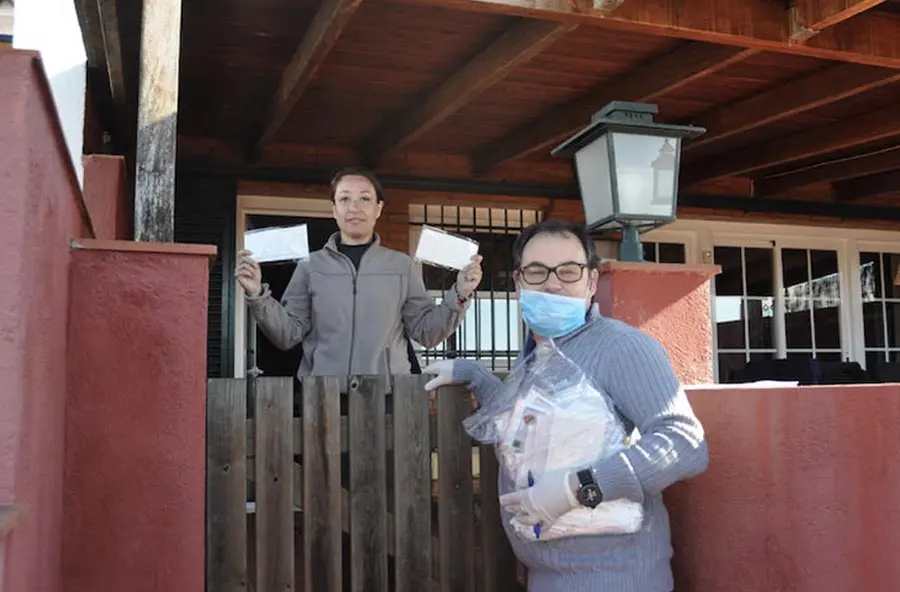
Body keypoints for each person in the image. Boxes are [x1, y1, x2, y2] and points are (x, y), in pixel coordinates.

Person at [423, 219, 708, 592]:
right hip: (547, 577)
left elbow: (685, 444)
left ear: (591, 282)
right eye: (537, 272)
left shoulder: (621, 347)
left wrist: (579, 488)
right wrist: (475, 374)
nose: (553, 283)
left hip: (616, 579)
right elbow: (529, 430)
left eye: (568, 271)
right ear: (519, 282)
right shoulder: (537, 356)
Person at [235, 166, 482, 384]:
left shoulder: (401, 266)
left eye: (365, 198)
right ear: (334, 209)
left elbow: (426, 333)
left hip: (389, 395)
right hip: (323, 394)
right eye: (345, 199)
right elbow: (288, 335)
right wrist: (257, 294)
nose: (354, 207)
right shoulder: (310, 267)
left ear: (378, 209)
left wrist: (461, 293)